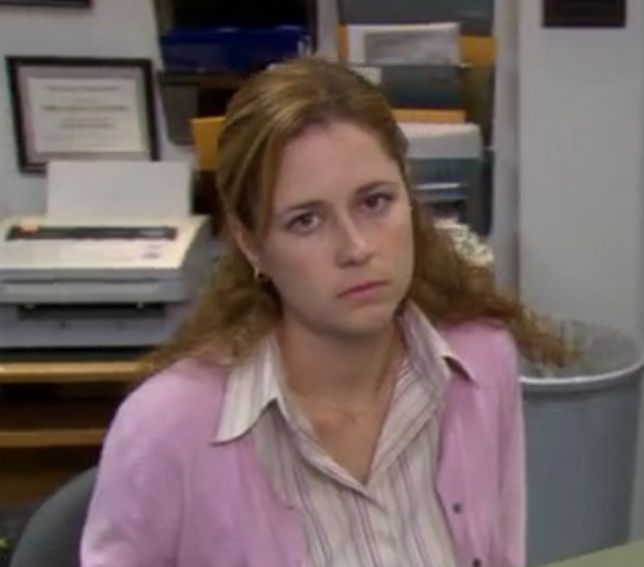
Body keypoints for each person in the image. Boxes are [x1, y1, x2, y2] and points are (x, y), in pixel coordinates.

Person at [81, 57, 569, 567]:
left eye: (375, 202)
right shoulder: (167, 427)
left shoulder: (482, 360)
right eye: (307, 220)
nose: (356, 248)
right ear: (251, 245)